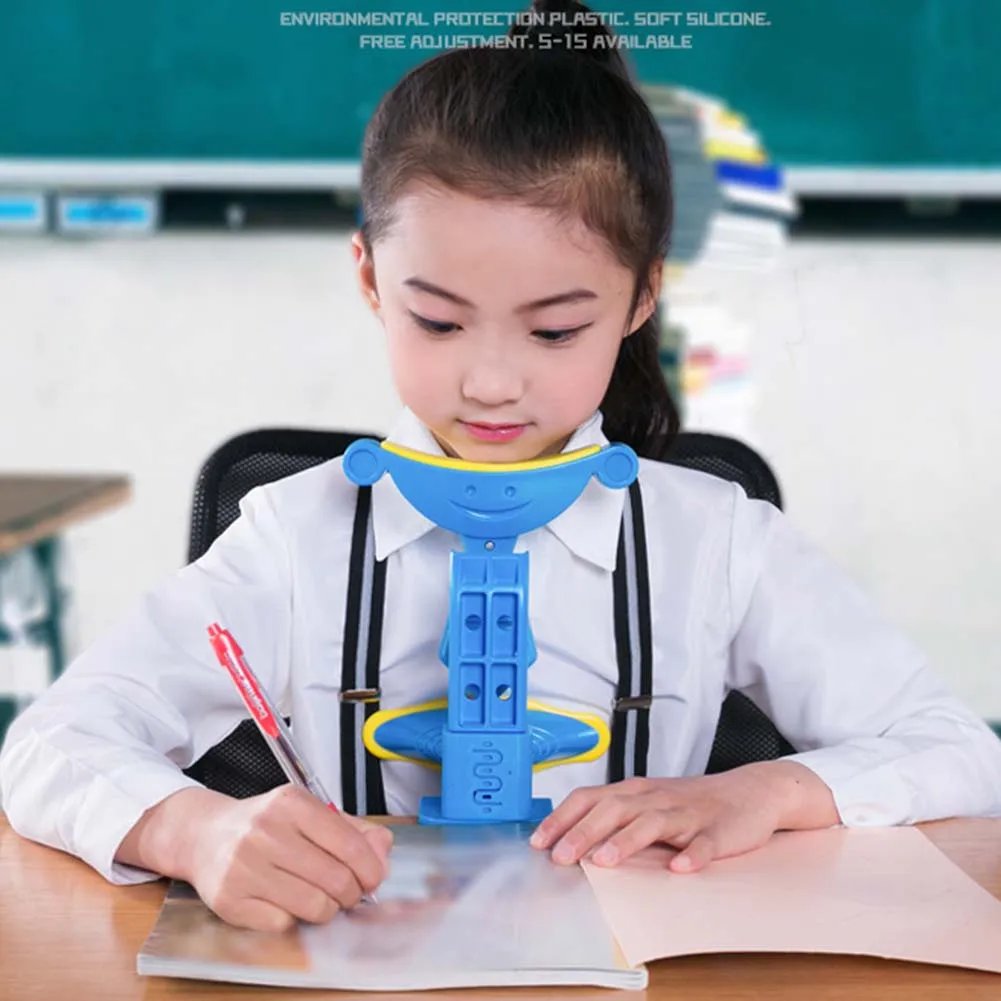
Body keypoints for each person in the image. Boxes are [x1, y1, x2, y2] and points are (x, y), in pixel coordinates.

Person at [3, 0, 1000, 935]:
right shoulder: (291, 533)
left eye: (554, 330)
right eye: (437, 320)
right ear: (369, 278)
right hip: (362, 964)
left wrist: (769, 789)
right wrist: (191, 827)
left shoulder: (717, 540)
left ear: (640, 297)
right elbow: (48, 743)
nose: (488, 382)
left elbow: (957, 750)